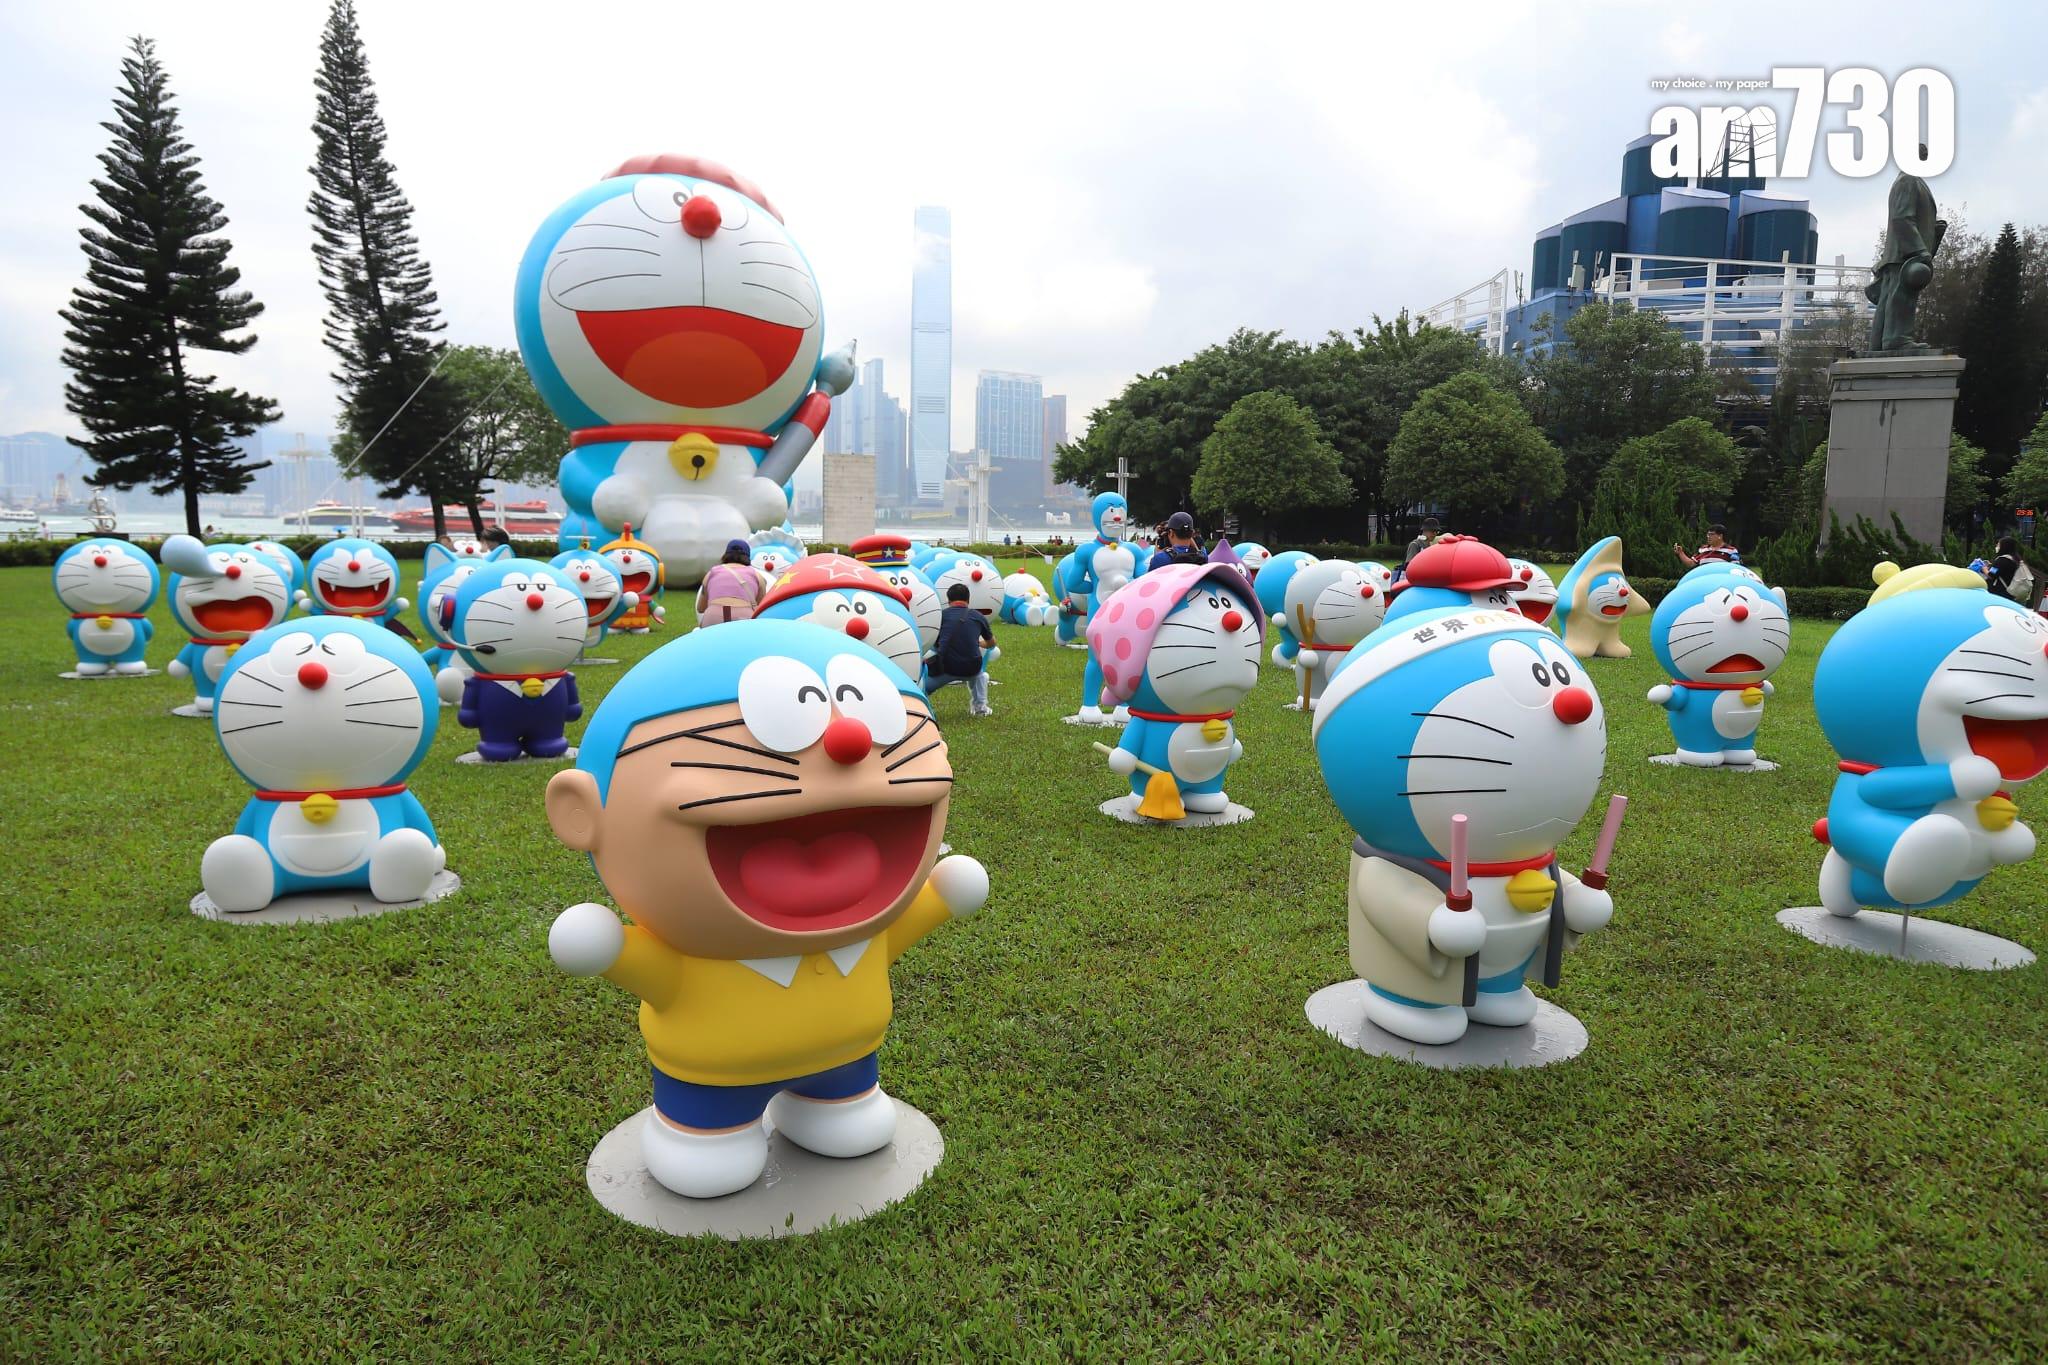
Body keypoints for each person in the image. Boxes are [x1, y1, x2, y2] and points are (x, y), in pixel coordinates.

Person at [924, 582, 995, 715]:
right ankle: (980, 707)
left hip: (945, 667)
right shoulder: (978, 616)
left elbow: (932, 641)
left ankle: (923, 710)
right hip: (972, 668)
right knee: (981, 675)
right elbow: (992, 643)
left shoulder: (941, 616)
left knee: (922, 688)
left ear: (948, 600)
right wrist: (979, 644)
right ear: (968, 600)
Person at [695, 539, 765, 626]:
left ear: (726, 554)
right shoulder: (757, 576)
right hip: (743, 616)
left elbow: (701, 608)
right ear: (747, 556)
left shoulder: (712, 573)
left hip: (714, 616)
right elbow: (761, 608)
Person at [1984, 536, 2033, 603]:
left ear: (2004, 546)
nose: (1997, 546)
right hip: (2011, 592)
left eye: (1998, 545)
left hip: (1999, 593)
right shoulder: (2016, 559)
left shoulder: (2001, 560)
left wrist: (1983, 568)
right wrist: (1992, 565)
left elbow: (1991, 575)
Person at [1674, 525, 1740, 569]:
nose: (1708, 537)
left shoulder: (1731, 550)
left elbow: (1735, 568)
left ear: (1720, 536)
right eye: (1708, 534)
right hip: (1704, 580)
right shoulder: (1702, 549)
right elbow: (1691, 564)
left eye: (1711, 534)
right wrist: (1680, 553)